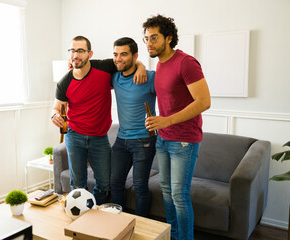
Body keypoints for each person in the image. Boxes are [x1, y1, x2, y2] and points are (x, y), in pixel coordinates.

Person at [51, 36, 147, 205]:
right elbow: (56, 107)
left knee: (104, 183)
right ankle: (83, 217)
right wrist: (55, 115)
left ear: (90, 53)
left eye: (80, 51)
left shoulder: (104, 67)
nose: (76, 55)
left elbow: (127, 61)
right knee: (78, 184)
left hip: (99, 138)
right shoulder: (64, 82)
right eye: (73, 50)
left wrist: (141, 67)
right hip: (75, 136)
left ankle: (97, 212)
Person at [142, 15, 211, 240]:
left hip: (184, 141)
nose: (149, 43)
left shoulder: (186, 63)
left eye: (154, 38)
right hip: (163, 139)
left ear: (169, 38)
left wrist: (167, 120)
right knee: (167, 191)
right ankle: (172, 234)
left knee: (179, 195)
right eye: (146, 39)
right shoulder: (160, 64)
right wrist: (157, 122)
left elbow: (204, 102)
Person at [110, 37, 156, 217]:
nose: (118, 58)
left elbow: (170, 99)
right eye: (115, 54)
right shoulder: (114, 77)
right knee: (115, 183)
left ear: (134, 56)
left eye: (123, 54)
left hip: (144, 140)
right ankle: (119, 223)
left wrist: (142, 67)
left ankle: (143, 227)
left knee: (140, 186)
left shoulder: (149, 77)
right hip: (121, 140)